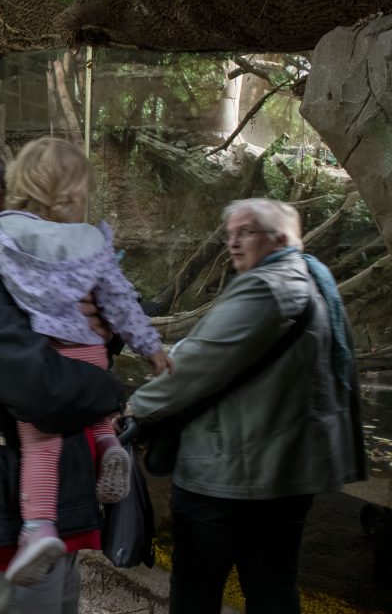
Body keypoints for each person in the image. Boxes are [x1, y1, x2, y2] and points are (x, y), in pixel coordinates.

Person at [0, 137, 172, 585]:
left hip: (15, 506)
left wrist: (99, 336)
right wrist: (116, 385)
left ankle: (52, 511)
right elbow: (41, 389)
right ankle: (61, 499)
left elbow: (57, 349)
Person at [127, 198, 366, 614]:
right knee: (272, 586)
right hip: (286, 474)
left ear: (279, 238)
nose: (233, 243)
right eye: (230, 233)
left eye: (245, 232)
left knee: (197, 588)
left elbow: (192, 366)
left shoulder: (264, 288)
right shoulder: (313, 279)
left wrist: (133, 408)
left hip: (228, 478)